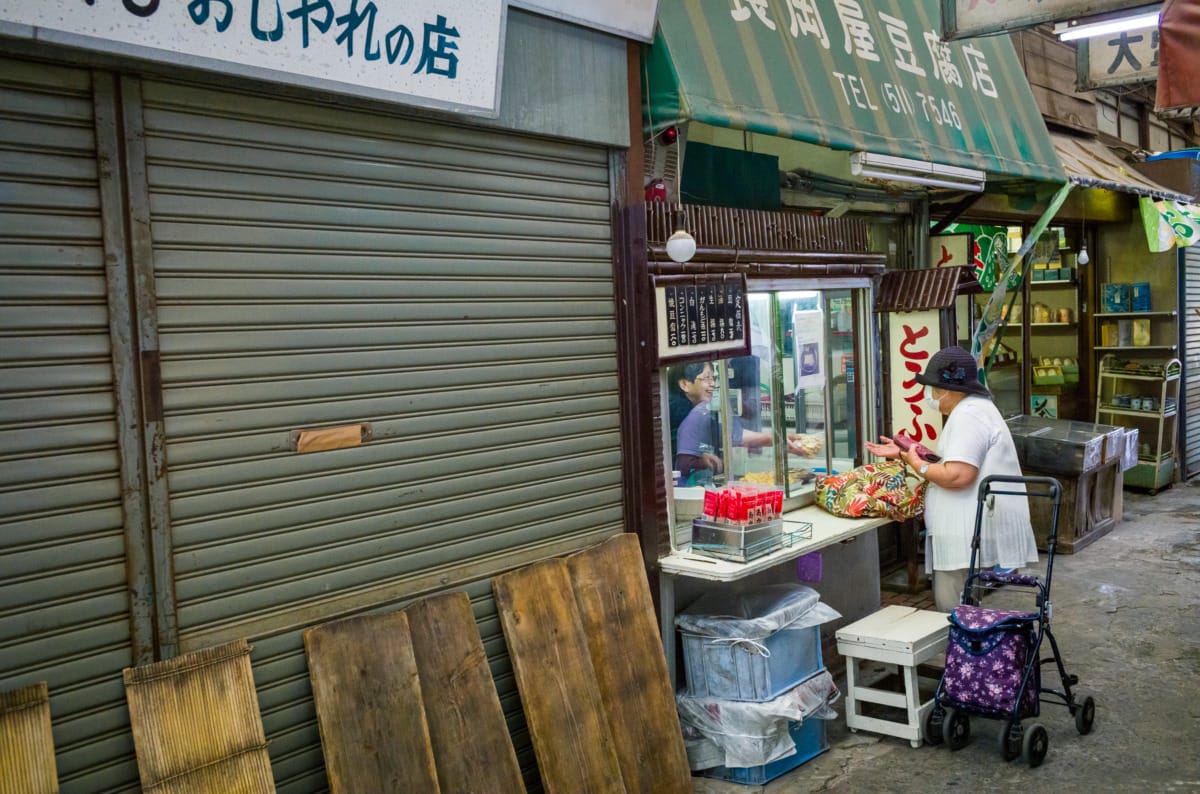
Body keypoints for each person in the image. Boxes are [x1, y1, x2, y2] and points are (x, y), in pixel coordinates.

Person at [865, 345, 1038, 613]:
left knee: (955, 609)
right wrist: (905, 453)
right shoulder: (974, 410)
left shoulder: (968, 415)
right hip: (969, 530)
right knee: (968, 607)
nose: (930, 396)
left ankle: (964, 654)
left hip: (966, 533)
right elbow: (956, 462)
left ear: (950, 389)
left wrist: (917, 464)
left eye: (933, 389)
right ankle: (969, 652)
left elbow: (958, 475)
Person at [669, 361, 820, 485]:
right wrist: (700, 461)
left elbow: (738, 435)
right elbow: (680, 462)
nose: (713, 384)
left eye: (713, 378)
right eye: (706, 379)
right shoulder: (680, 411)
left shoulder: (703, 410)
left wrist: (784, 439)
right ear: (684, 384)